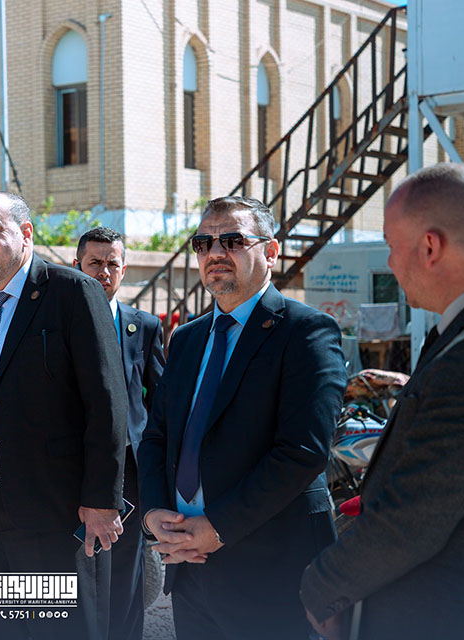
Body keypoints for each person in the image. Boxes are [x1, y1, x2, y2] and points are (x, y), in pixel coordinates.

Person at [301, 163, 464, 640]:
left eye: (392, 246)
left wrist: (320, 587)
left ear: (430, 247)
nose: (391, 262)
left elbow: (413, 517)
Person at [137, 195, 347, 639]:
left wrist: (218, 528)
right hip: (190, 572)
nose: (215, 253)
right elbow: (157, 437)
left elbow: (303, 452)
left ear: (270, 252)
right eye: (203, 243)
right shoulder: (187, 338)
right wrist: (154, 513)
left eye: (232, 241)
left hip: (273, 574)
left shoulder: (306, 331)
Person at [0, 192, 128, 640]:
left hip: (55, 509)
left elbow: (107, 403)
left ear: (26, 233)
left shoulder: (71, 292)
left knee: (61, 629)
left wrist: (101, 499)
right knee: (12, 628)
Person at [73, 227, 165, 640]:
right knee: (72, 564)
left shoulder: (142, 326)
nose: (104, 272)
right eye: (95, 262)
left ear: (124, 270)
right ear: (77, 266)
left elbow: (160, 400)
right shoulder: (55, 323)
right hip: (71, 465)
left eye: (113, 264)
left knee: (126, 564)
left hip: (128, 469)